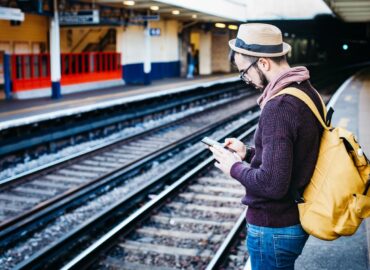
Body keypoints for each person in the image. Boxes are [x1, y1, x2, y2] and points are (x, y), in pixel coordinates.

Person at [209, 23, 325, 270]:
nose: (246, 80)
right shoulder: (305, 90)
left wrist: (234, 167)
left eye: (245, 72)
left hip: (274, 226)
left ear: (263, 63)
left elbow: (272, 184)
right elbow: (293, 156)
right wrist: (248, 153)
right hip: (291, 218)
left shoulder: (279, 106)